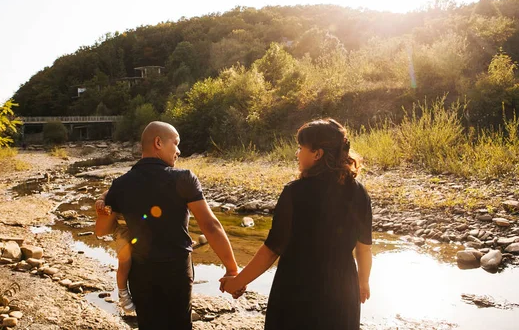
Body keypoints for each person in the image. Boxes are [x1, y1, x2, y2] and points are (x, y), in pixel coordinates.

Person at [221, 118, 373, 330]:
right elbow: (364, 248)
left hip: (297, 289)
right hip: (342, 290)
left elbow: (272, 250)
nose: (297, 153)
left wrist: (238, 282)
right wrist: (363, 281)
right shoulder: (359, 191)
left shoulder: (295, 192)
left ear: (317, 154)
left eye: (301, 148)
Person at [95, 121, 240, 330]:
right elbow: (210, 226)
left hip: (141, 274)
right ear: (158, 143)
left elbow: (101, 230)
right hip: (176, 272)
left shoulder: (121, 184)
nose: (178, 151)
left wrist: (103, 201)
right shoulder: (184, 178)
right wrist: (232, 269)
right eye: (176, 143)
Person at [94, 191, 134, 313]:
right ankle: (122, 292)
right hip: (123, 228)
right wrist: (100, 200)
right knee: (124, 261)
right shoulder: (122, 184)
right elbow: (107, 193)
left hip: (142, 226)